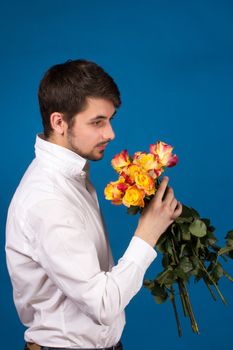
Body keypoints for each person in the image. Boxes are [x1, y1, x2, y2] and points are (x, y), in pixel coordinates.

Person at [5, 59, 182, 350]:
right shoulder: (48, 198)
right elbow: (102, 304)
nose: (110, 134)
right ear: (59, 122)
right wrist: (148, 233)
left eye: (110, 120)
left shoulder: (73, 176)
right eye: (97, 122)